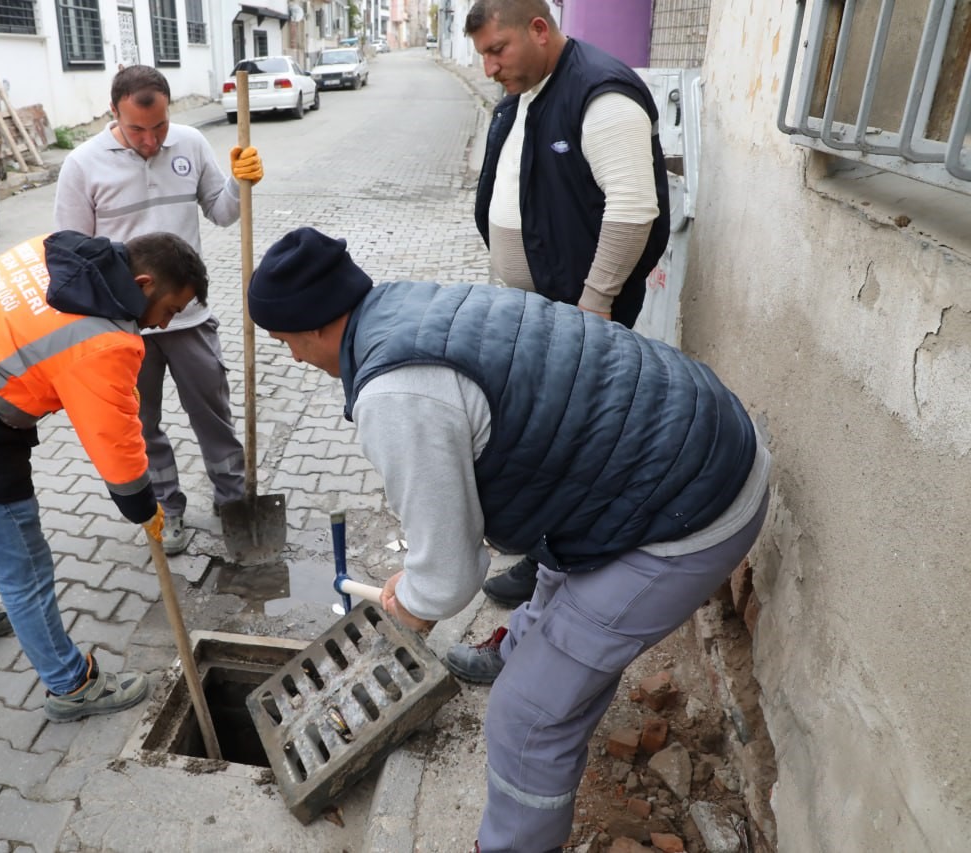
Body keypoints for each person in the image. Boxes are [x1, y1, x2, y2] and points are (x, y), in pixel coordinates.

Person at [247, 227, 770, 853]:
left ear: (308, 329)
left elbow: (448, 575)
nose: (292, 356)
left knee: (526, 719)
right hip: (682, 440)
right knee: (554, 570)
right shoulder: (407, 305)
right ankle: (519, 650)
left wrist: (410, 603)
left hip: (692, 507)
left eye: (283, 343)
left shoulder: (399, 393)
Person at [0, 230, 209, 722]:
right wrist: (142, 507)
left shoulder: (60, 250)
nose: (162, 324)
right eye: (170, 310)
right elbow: (113, 441)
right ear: (143, 282)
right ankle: (71, 686)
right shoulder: (104, 338)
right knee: (24, 569)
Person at [468, 0, 673, 608]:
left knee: (569, 443)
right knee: (538, 433)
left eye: (496, 50)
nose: (488, 68)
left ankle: (557, 568)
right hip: (540, 310)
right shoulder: (525, 93)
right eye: (482, 54)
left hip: (579, 317)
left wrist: (596, 304)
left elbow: (633, 208)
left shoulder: (600, 94)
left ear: (539, 29)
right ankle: (544, 547)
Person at [54, 64, 264, 556]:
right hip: (123, 331)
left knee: (214, 417)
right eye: (137, 130)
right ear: (114, 114)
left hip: (187, 319)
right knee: (141, 428)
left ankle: (234, 502)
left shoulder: (190, 144)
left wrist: (239, 181)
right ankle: (167, 509)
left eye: (159, 127)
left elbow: (224, 212)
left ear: (171, 112)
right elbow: (69, 254)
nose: (151, 141)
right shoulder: (82, 165)